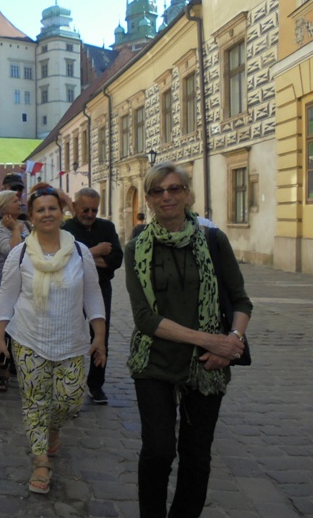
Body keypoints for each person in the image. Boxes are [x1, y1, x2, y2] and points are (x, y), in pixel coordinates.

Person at [125, 162, 251, 518]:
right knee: (159, 450)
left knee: (197, 454)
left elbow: (240, 301)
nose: (166, 196)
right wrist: (211, 340)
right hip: (154, 360)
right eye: (157, 191)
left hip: (206, 365)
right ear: (149, 199)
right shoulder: (137, 247)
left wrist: (232, 341)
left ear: (188, 194)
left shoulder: (214, 240)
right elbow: (145, 319)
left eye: (174, 188)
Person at [0, 186, 106, 495]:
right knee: (34, 402)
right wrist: (0, 339)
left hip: (71, 342)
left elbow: (93, 296)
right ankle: (41, 460)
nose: (47, 214)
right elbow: (6, 298)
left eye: (52, 208)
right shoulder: (20, 254)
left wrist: (99, 336)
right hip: (29, 339)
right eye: (40, 210)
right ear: (31, 216)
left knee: (70, 401)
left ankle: (53, 428)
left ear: (62, 212)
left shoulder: (80, 252)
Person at [61, 187, 123, 405]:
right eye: (85, 209)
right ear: (75, 206)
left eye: (94, 210)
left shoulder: (107, 227)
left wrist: (81, 256)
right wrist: (96, 251)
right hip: (72, 289)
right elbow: (63, 259)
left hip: (100, 287)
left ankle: (96, 385)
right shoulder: (65, 229)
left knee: (100, 336)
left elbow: (116, 259)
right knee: (71, 335)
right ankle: (70, 381)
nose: (90, 214)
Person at [0, 190, 30, 392]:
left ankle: (21, 368)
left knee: (22, 331)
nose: (20, 203)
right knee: (3, 333)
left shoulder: (28, 226)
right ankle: (3, 373)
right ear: (4, 207)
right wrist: (14, 229)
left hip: (26, 287)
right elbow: (14, 252)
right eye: (15, 201)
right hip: (2, 288)